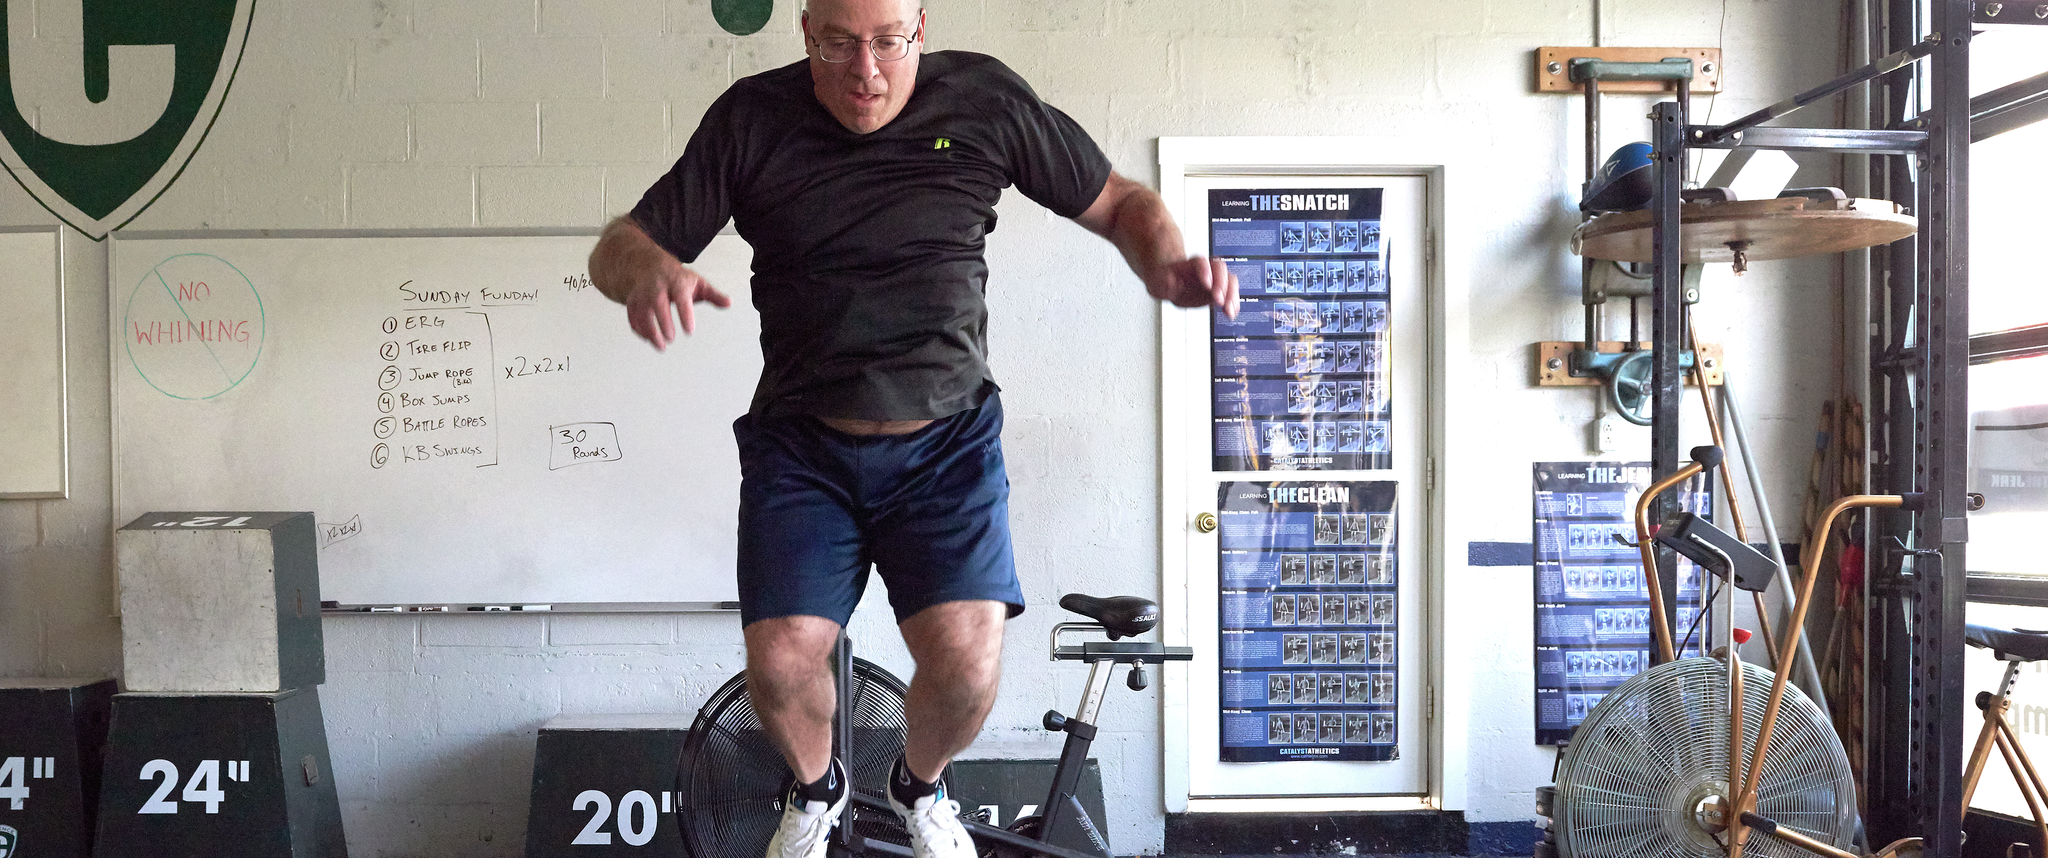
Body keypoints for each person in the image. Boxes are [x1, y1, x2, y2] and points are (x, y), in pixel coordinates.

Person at [584, 2, 1238, 858]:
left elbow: (1119, 200)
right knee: (780, 664)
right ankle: (816, 792)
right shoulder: (752, 119)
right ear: (806, 34)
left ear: (919, 30)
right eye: (840, 45)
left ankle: (916, 789)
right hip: (803, 445)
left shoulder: (984, 100)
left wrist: (1166, 262)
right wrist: (648, 270)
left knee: (968, 667)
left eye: (888, 44)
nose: (866, 71)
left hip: (946, 446)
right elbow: (618, 245)